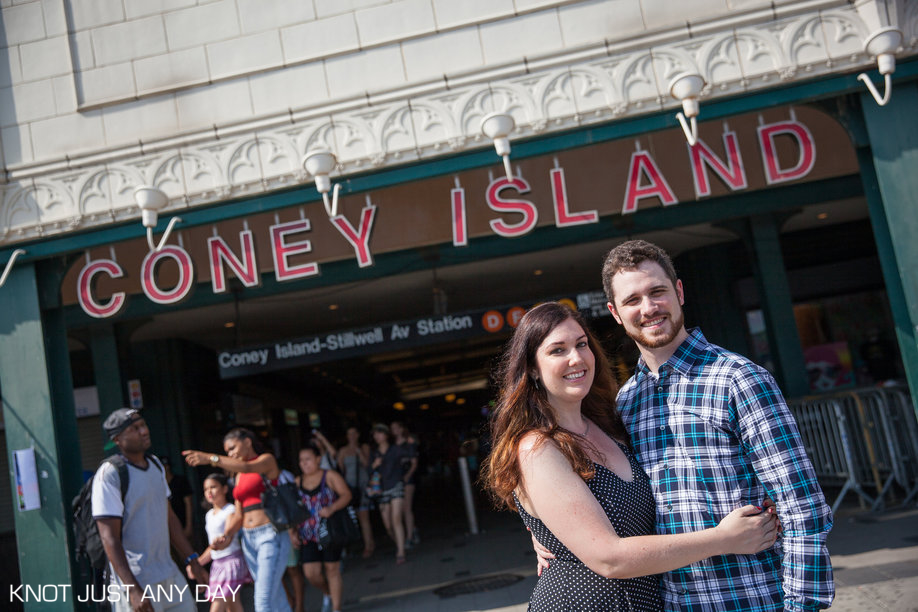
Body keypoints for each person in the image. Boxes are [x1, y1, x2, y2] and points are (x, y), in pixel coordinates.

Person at [484, 303, 780, 610]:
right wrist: (724, 539)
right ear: (532, 367)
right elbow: (609, 558)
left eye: (581, 344)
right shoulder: (538, 448)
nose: (576, 358)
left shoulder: (612, 425)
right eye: (557, 350)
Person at [595, 239, 834, 610]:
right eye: (632, 300)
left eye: (657, 292)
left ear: (679, 291)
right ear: (615, 312)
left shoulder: (738, 379)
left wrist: (802, 605)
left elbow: (801, 505)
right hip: (676, 604)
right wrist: (544, 532)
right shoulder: (626, 402)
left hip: (754, 600)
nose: (649, 308)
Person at [92, 408, 207, 612]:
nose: (143, 431)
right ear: (117, 439)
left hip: (168, 573)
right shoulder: (110, 474)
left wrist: (192, 559)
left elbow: (169, 517)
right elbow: (109, 537)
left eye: (143, 425)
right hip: (136, 580)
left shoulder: (155, 465)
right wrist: (132, 590)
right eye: (134, 428)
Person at [184, 428, 293, 612]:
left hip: (270, 535)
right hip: (249, 540)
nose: (231, 454)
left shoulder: (265, 461)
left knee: (262, 599)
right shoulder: (239, 475)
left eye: (233, 448)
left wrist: (210, 458)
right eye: (227, 452)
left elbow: (248, 467)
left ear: (248, 442)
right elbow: (238, 513)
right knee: (276, 597)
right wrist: (226, 535)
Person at [294, 444, 353, 612]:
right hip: (307, 534)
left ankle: (336, 608)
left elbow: (346, 495)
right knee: (311, 573)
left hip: (330, 531)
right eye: (301, 461)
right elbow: (294, 510)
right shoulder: (297, 482)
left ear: (318, 459)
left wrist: (332, 508)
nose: (304, 463)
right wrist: (293, 532)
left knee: (332, 569)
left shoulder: (330, 476)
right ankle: (328, 593)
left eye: (308, 459)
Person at [194, 473, 252, 612]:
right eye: (206, 489)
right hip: (217, 564)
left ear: (225, 489)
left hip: (231, 563)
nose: (209, 492)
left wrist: (220, 542)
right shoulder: (209, 515)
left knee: (218, 604)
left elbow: (226, 538)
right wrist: (197, 562)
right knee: (233, 605)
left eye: (213, 487)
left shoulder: (231, 510)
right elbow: (212, 547)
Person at [369, 423, 410, 564]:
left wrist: (404, 476)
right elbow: (368, 472)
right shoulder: (374, 453)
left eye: (379, 433)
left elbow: (409, 458)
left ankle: (400, 551)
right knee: (388, 526)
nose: (377, 436)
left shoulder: (395, 449)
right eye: (375, 434)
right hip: (382, 489)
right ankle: (401, 542)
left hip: (396, 485)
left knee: (396, 519)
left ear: (386, 435)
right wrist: (374, 466)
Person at [337, 426, 376, 558]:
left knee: (364, 516)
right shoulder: (343, 451)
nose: (352, 436)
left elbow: (367, 464)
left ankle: (368, 546)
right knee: (357, 517)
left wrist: (359, 452)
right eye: (349, 434)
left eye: (354, 433)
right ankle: (369, 542)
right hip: (350, 487)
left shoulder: (364, 447)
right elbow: (340, 469)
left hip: (363, 486)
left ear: (358, 435)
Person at [390, 421, 420, 547]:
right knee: (400, 510)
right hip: (396, 479)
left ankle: (409, 537)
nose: (395, 430)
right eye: (392, 428)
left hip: (408, 478)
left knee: (407, 507)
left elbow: (414, 462)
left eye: (397, 427)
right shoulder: (392, 446)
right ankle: (412, 529)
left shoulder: (409, 443)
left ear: (402, 428)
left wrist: (407, 476)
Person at [161, 457, 195, 543]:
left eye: (165, 466)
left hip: (182, 522)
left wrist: (189, 526)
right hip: (166, 528)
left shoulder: (180, 481)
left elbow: (188, 503)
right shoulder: (159, 484)